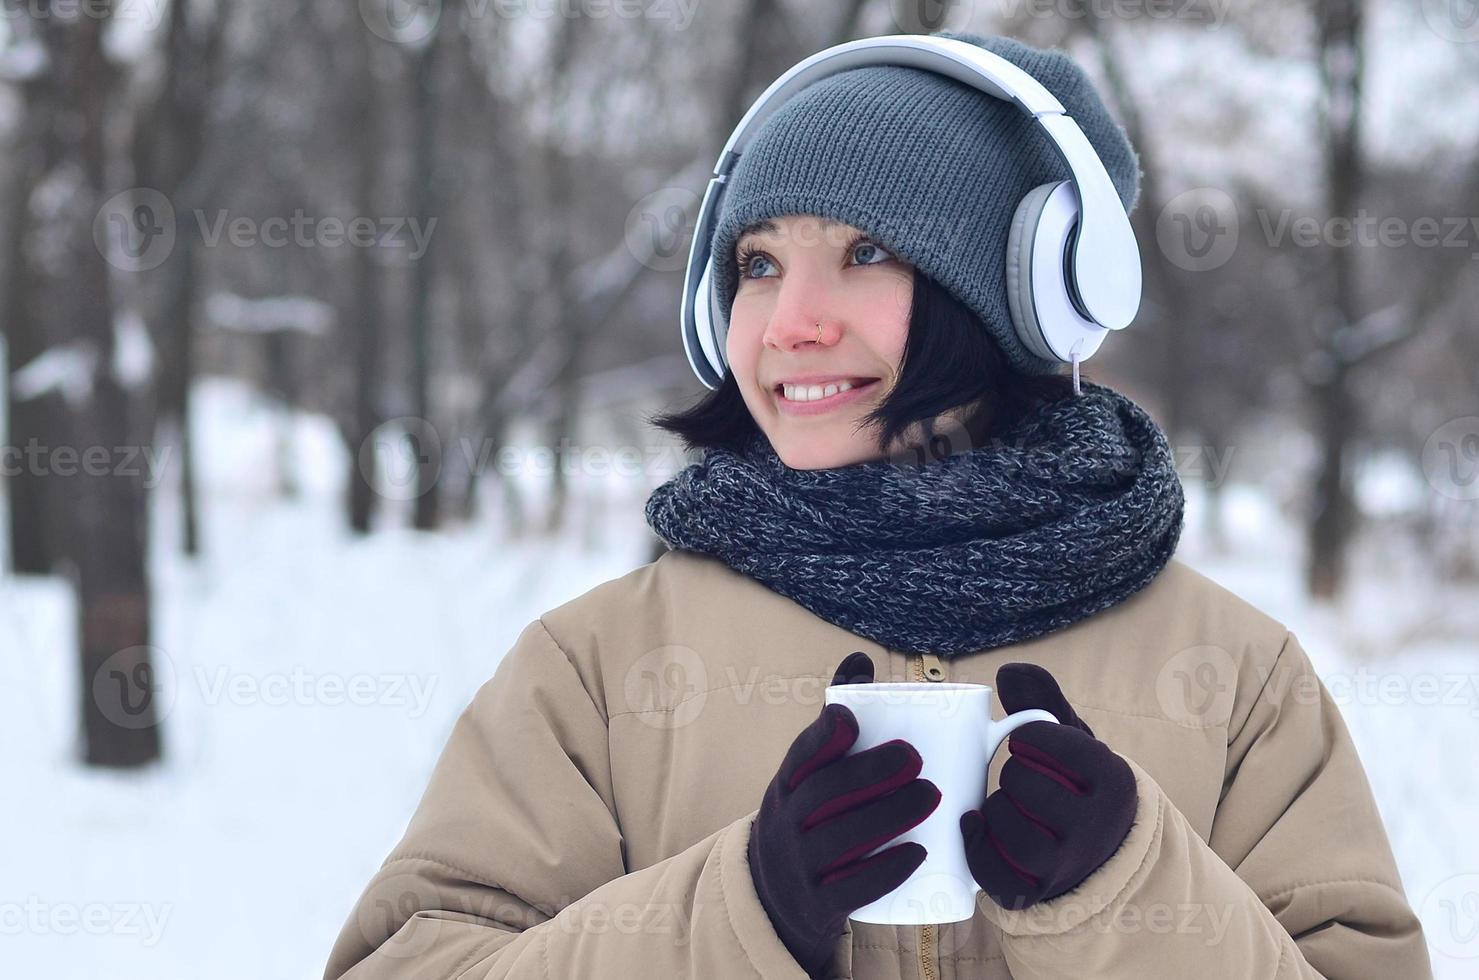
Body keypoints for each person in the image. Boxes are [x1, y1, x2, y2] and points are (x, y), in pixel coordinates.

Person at [321, 31, 1432, 979]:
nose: (791, 321)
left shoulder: (1236, 677)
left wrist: (1138, 895)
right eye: (757, 263)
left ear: (1028, 295)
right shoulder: (599, 668)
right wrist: (741, 911)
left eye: (866, 251)